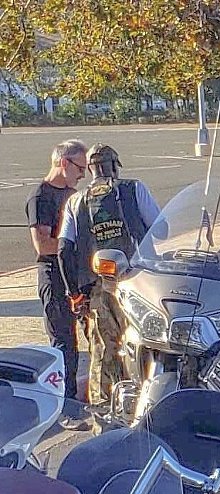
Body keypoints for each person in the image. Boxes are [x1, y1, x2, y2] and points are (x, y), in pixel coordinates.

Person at [58, 144, 160, 409]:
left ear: (90, 169)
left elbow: (63, 250)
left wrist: (74, 293)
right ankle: (141, 403)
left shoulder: (75, 201)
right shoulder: (134, 189)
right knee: (139, 344)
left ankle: (103, 409)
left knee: (103, 350)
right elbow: (161, 230)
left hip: (96, 288)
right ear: (115, 165)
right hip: (136, 284)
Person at [25, 140, 88, 423]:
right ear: (64, 163)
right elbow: (42, 244)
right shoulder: (41, 197)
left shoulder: (74, 196)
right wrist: (70, 245)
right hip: (53, 274)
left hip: (75, 275)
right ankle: (64, 408)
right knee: (64, 343)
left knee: (84, 341)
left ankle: (77, 399)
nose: (83, 174)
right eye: (79, 167)